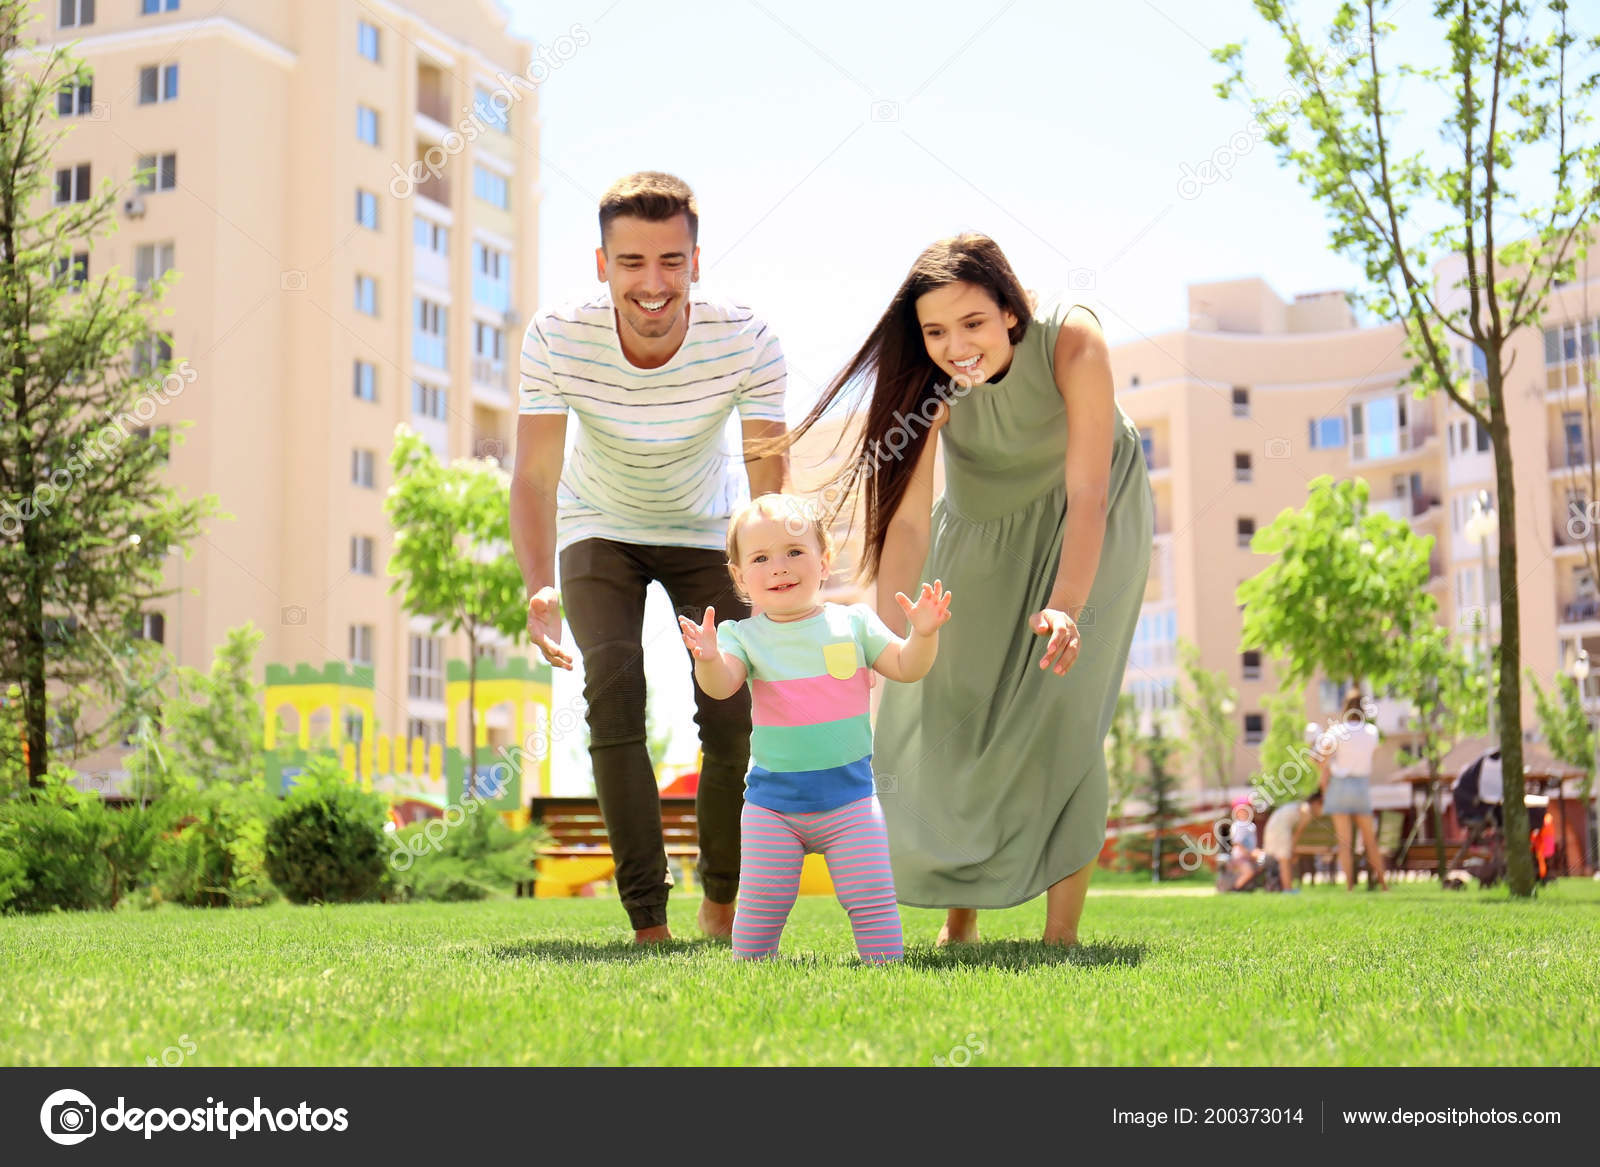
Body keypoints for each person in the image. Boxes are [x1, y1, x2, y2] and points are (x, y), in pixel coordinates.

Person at [781, 233, 1153, 946]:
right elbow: (913, 529)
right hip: (980, 528)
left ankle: (1062, 933)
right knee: (946, 697)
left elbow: (1088, 488)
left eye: (973, 323)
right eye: (936, 331)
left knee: (1064, 707)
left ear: (1011, 311)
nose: (956, 345)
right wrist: (890, 641)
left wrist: (1066, 604)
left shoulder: (1073, 340)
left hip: (1092, 521)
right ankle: (961, 922)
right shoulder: (931, 384)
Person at [509, 172, 789, 944]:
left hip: (706, 529)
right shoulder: (558, 334)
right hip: (599, 526)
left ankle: (723, 901)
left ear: (696, 260)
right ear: (603, 265)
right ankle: (647, 919)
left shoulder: (748, 338)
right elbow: (533, 477)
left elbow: (767, 476)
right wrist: (539, 585)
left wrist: (770, 588)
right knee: (615, 683)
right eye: (632, 262)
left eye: (671, 260)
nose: (653, 282)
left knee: (732, 714)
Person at [677, 494, 952, 962]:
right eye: (761, 558)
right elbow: (722, 686)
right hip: (772, 808)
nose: (779, 566)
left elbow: (907, 666)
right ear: (741, 578)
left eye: (794, 551)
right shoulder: (742, 636)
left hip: (850, 803)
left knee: (872, 901)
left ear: (824, 562)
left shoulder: (855, 624)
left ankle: (886, 972)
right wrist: (706, 659)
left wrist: (924, 635)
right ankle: (753, 976)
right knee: (763, 906)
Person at [1317, 688, 1389, 891]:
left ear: (1345, 708)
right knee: (1370, 840)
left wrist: (1324, 780)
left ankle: (1349, 887)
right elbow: (1371, 757)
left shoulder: (1336, 731)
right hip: (1361, 785)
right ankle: (1383, 884)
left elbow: (1323, 762)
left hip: (1340, 785)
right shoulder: (1372, 732)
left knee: (1344, 842)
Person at [1261, 793, 1317, 892]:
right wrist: (1292, 847)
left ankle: (1281, 887)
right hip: (1280, 830)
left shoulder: (1296, 805)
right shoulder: (1307, 809)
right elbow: (1299, 831)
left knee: (1281, 860)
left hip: (1271, 828)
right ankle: (1288, 889)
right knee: (1285, 860)